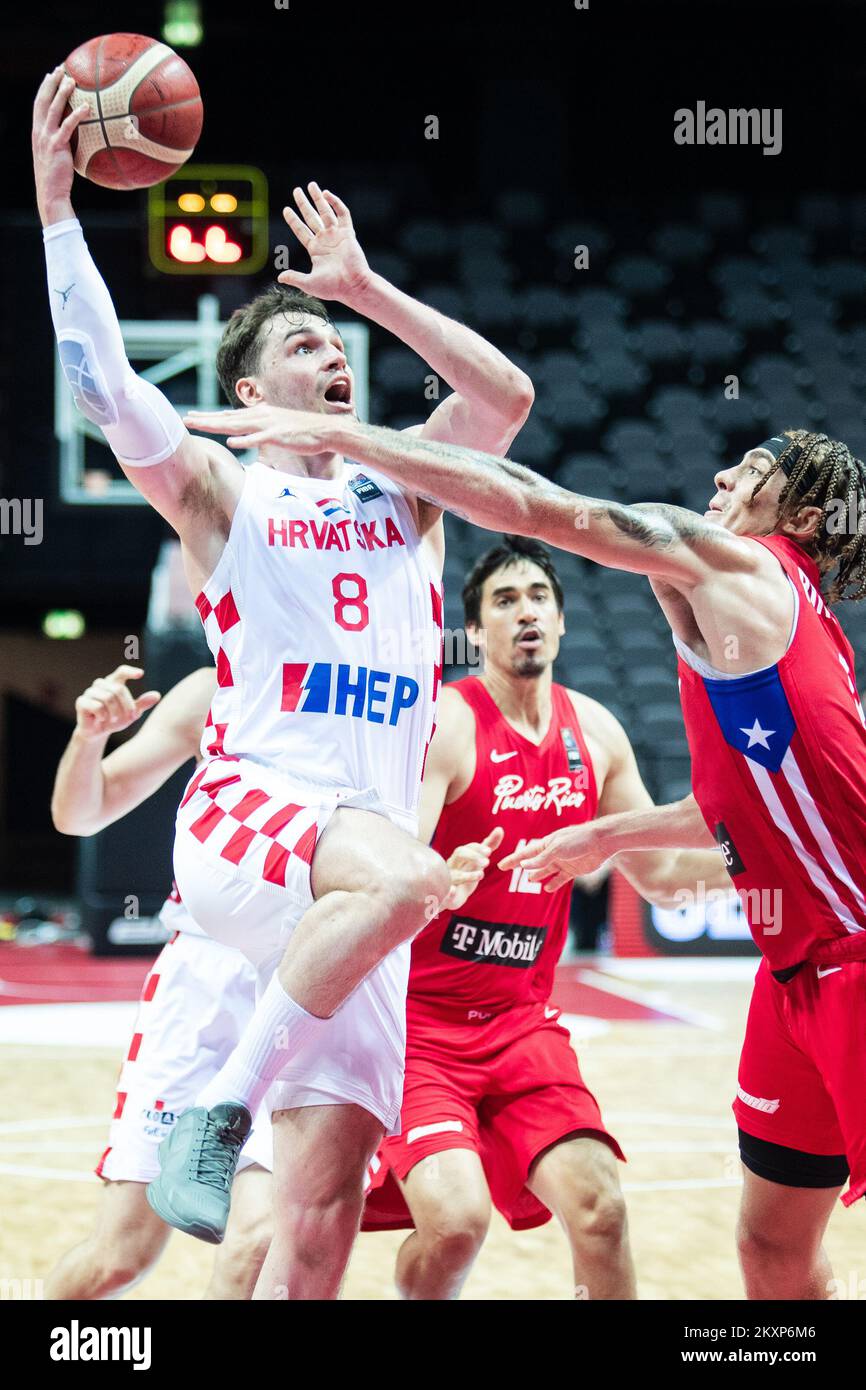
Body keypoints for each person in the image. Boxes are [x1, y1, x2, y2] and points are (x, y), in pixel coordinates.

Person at [34, 66, 533, 1298]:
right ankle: (214, 1120)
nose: (336, 354)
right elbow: (103, 381)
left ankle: (230, 1125)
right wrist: (57, 208)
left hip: (348, 890)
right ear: (249, 392)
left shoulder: (405, 488)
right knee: (412, 872)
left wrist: (364, 286)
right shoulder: (222, 486)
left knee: (311, 1232)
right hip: (256, 818)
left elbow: (502, 397)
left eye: (341, 343)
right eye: (308, 341)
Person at [216, 406, 866, 1300]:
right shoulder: (767, 625)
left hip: (848, 961)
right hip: (783, 975)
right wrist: (608, 834)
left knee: (599, 1207)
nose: (720, 480)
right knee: (769, 1246)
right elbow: (734, 806)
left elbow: (540, 505)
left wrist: (350, 442)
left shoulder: (742, 569)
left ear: (796, 520)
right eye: (504, 602)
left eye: (752, 469)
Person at [362, 536, 731, 1299]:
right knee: (458, 1221)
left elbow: (661, 877)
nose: (525, 612)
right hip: (418, 1030)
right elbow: (384, 870)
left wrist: (766, 853)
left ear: (561, 623)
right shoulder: (445, 725)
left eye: (538, 597)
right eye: (504, 600)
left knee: (600, 1208)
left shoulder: (594, 732)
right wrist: (435, 879)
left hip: (522, 1025)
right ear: (477, 631)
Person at [46, 664, 273, 1300]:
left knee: (261, 1242)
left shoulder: (376, 691)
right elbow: (80, 813)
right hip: (203, 982)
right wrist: (90, 738)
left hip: (307, 982)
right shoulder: (215, 689)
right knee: (118, 1259)